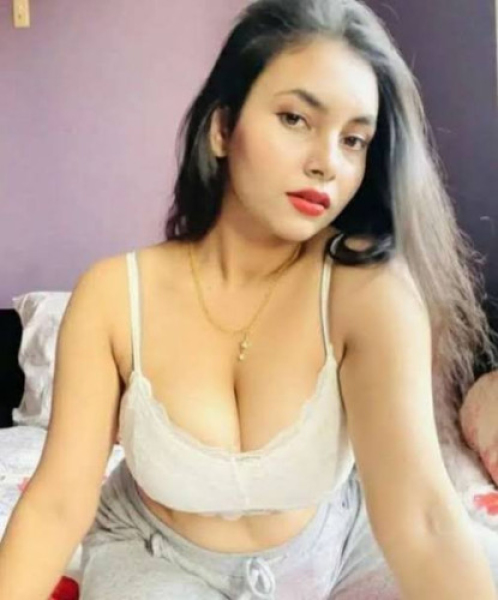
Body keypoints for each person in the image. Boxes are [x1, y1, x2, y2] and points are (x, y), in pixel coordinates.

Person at [1, 0, 498, 598]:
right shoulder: (113, 297)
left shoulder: (367, 289)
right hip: (159, 556)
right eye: (295, 118)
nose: (327, 163)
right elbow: (57, 504)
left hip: (337, 539)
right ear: (221, 128)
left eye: (354, 140)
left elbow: (422, 518)